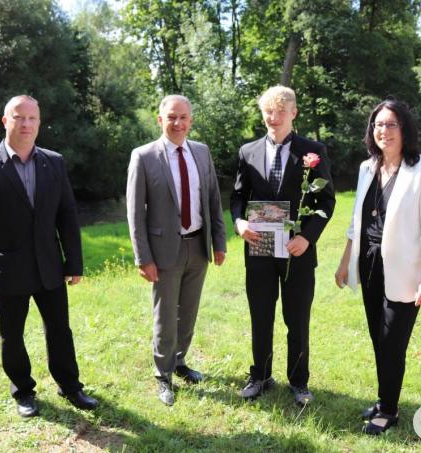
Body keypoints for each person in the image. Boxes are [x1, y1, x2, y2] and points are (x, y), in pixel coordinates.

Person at [0, 95, 98, 418]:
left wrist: (74, 262)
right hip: (7, 271)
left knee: (60, 330)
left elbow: (67, 215)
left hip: (49, 266)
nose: (25, 124)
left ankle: (70, 386)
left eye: (32, 118)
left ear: (39, 122)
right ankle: (23, 390)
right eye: (18, 117)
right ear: (5, 121)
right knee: (12, 335)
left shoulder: (54, 161)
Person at [335, 99, 421, 435]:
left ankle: (389, 411)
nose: (384, 131)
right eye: (378, 125)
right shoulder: (368, 167)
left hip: (405, 269)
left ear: (405, 128)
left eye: (391, 124)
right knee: (378, 338)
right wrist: (344, 262)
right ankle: (384, 401)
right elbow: (357, 221)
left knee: (392, 341)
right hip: (368, 264)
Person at [230, 85, 336, 407]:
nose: (272, 117)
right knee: (260, 315)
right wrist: (239, 222)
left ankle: (299, 381)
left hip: (297, 251)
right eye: (267, 111)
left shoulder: (312, 151)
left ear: (293, 113)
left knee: (297, 318)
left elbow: (326, 200)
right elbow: (237, 196)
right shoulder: (247, 152)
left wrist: (307, 237)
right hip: (259, 249)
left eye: (279, 111)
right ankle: (260, 375)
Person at [126, 94, 227, 406]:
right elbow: (134, 213)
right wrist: (143, 258)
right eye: (171, 117)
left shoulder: (201, 152)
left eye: (183, 117)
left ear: (191, 120)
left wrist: (219, 242)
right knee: (166, 316)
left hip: (198, 246)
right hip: (163, 252)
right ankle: (163, 374)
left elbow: (212, 199)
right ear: (160, 120)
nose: (178, 123)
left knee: (189, 312)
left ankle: (180, 361)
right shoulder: (143, 157)